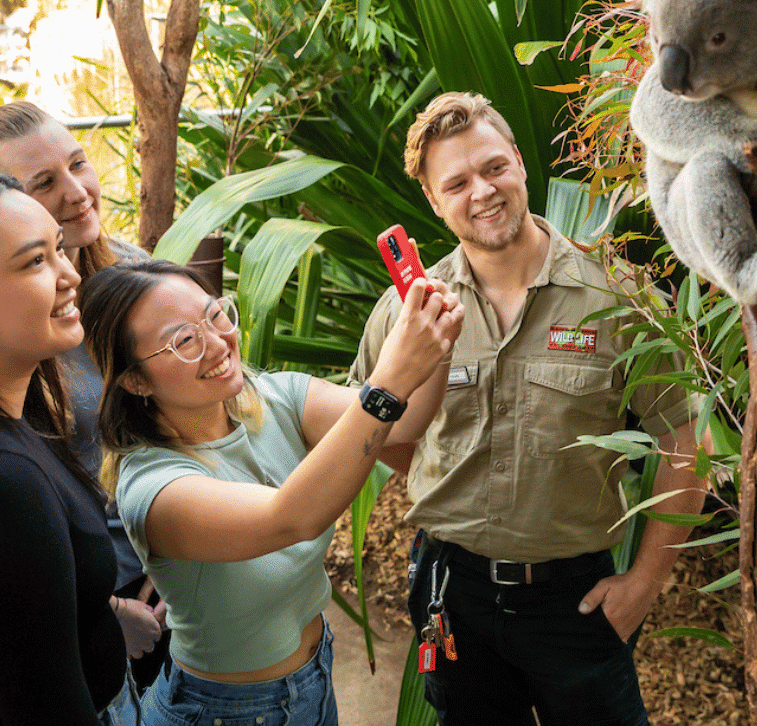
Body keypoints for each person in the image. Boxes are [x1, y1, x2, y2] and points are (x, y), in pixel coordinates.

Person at [349, 91, 708, 726]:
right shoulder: (409, 314)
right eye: (456, 182)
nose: (481, 192)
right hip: (451, 595)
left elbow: (687, 436)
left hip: (578, 603)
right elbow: (374, 433)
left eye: (492, 167)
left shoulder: (618, 297)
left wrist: (644, 583)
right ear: (433, 202)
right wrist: (447, 484)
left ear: (518, 162)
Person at [78, 257, 463, 726]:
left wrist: (438, 341)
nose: (218, 342)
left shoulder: (273, 398)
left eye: (215, 315)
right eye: (183, 341)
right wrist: (389, 382)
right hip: (222, 711)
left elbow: (405, 420)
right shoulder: (154, 489)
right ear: (134, 380)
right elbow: (292, 516)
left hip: (315, 676)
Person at [0, 100, 166, 695]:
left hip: (173, 558)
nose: (78, 192)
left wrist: (183, 561)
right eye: (44, 182)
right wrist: (100, 613)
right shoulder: (23, 340)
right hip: (83, 594)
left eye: (79, 164)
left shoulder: (133, 272)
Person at [0, 174, 126, 724]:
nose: (70, 275)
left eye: (58, 249)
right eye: (34, 262)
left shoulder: (27, 421)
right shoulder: (10, 481)